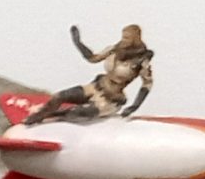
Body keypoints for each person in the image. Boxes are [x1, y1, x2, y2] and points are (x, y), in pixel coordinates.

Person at [22, 25, 153, 124]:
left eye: (127, 38)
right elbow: (92, 58)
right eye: (123, 37)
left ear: (135, 39)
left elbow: (147, 84)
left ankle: (54, 121)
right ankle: (34, 119)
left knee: (76, 113)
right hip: (95, 87)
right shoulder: (114, 49)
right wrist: (78, 42)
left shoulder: (141, 60)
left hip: (111, 99)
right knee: (59, 96)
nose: (123, 40)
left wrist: (134, 106)